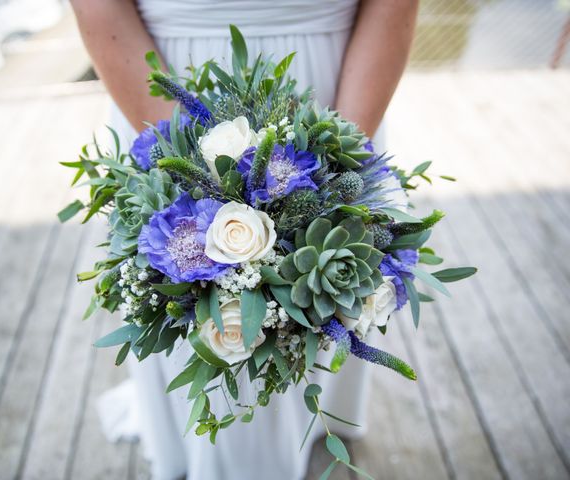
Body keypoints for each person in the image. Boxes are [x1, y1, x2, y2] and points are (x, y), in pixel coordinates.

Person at [70, 1, 418, 479]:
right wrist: (190, 161)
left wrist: (338, 155)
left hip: (339, 85)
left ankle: (314, 426)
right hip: (157, 80)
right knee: (195, 293)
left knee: (325, 294)